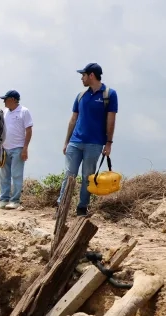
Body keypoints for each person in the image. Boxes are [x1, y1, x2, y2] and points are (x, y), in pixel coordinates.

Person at [58, 62, 118, 216]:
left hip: (95, 143)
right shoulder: (81, 96)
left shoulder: (109, 94)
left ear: (91, 75)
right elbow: (73, 119)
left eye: (83, 75)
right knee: (69, 175)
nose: (81, 79)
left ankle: (82, 208)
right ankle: (61, 206)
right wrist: (66, 141)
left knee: (87, 177)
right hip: (75, 142)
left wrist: (109, 143)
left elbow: (111, 120)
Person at [0, 90, 33, 210]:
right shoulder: (4, 112)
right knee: (4, 175)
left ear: (12, 99)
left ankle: (15, 200)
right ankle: (3, 199)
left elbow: (28, 130)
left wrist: (25, 148)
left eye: (5, 99)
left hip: (18, 148)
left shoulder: (24, 111)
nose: (4, 101)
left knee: (16, 175)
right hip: (5, 148)